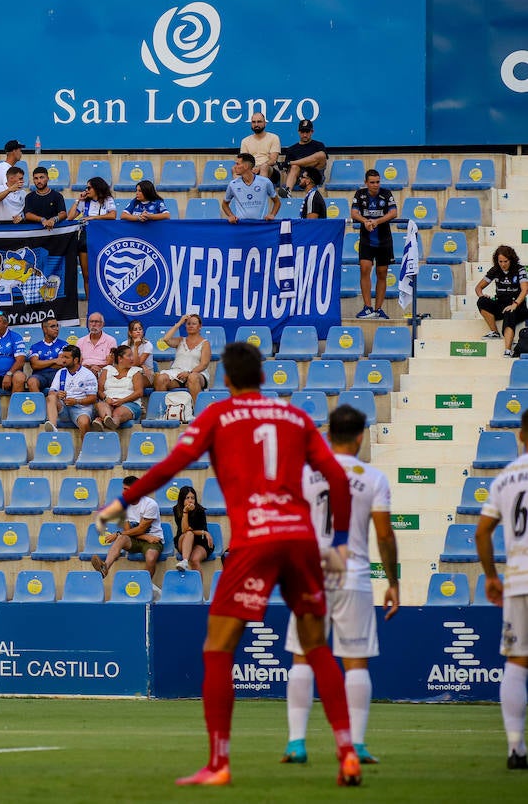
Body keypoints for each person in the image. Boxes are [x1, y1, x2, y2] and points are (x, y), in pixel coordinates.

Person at [94, 342, 361, 788]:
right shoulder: (294, 417)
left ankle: (219, 763)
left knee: (218, 647)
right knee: (316, 646)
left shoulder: (219, 416)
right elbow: (336, 476)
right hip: (300, 539)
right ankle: (348, 752)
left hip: (256, 539)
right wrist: (339, 540)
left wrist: (121, 503)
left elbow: (171, 467)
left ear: (229, 379)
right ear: (260, 375)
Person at [283, 404, 399, 767]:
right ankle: (357, 744)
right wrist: (393, 581)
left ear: (327, 434)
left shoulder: (305, 474)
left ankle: (297, 743)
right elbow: (383, 534)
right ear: (361, 436)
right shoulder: (374, 478)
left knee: (302, 657)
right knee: (355, 662)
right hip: (354, 575)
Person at [477, 408, 528, 771]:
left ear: (521, 436)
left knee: (516, 663)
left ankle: (515, 748)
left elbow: (481, 532)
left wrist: (491, 576)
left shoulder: (504, 479)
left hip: (517, 579)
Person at [90, 475, 164, 599]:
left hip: (154, 540)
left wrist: (121, 534)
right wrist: (145, 537)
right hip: (141, 539)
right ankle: (105, 567)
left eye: (127, 490)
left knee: (151, 558)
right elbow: (128, 530)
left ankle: (144, 585)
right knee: (121, 538)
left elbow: (141, 528)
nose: (124, 493)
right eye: (123, 489)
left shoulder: (150, 505)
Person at [351, 168, 398, 319]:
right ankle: (367, 307)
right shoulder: (360, 194)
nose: (375, 185)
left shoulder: (386, 193)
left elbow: (393, 212)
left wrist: (377, 221)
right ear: (366, 183)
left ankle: (378, 309)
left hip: (384, 240)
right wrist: (365, 221)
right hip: (366, 239)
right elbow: (354, 213)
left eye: (377, 182)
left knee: (382, 273)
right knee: (365, 269)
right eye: (372, 182)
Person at [476, 245, 528, 357]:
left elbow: (525, 290)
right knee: (482, 301)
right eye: (500, 261)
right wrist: (482, 295)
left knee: (510, 312)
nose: (503, 264)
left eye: (506, 261)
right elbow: (478, 288)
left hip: (518, 307)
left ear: (511, 260)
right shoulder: (495, 270)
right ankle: (494, 332)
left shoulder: (520, 269)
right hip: (501, 304)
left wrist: (515, 304)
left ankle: (508, 350)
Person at [69, 176, 115, 301]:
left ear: (97, 188)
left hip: (102, 238)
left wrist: (93, 218)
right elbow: (70, 217)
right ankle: (91, 304)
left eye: (89, 187)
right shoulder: (85, 201)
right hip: (86, 238)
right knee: (87, 275)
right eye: (86, 188)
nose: (87, 190)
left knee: (102, 274)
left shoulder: (107, 200)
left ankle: (105, 302)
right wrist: (78, 200)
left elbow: (113, 215)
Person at [153, 314, 212, 400]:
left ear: (200, 326)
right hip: (178, 374)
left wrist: (189, 373)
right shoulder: (180, 340)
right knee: (160, 378)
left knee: (193, 377)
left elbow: (204, 364)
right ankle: (163, 411)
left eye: (194, 323)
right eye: (188, 323)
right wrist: (179, 323)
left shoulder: (205, 343)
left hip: (197, 374)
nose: (191, 326)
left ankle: (198, 411)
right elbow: (166, 339)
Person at [44, 344, 98, 433]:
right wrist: (57, 394)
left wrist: (76, 401)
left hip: (81, 408)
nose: (63, 360)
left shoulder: (88, 375)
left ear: (76, 360)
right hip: (64, 407)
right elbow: (51, 392)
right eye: (62, 357)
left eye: (66, 357)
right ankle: (53, 428)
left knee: (84, 423)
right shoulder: (61, 372)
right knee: (51, 397)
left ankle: (85, 446)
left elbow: (93, 398)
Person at [94, 345, 145, 430]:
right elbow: (99, 390)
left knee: (118, 413)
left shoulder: (136, 371)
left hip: (129, 403)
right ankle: (106, 419)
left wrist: (122, 401)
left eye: (132, 355)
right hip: (108, 401)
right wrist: (106, 398)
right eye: (129, 356)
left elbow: (139, 392)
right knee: (101, 405)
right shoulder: (107, 370)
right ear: (120, 358)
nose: (132, 358)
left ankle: (107, 421)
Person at [223, 153, 279, 223]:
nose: (234, 167)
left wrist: (272, 215)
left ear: (246, 166)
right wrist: (230, 215)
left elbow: (277, 202)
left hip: (260, 225)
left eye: (237, 164)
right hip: (242, 226)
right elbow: (225, 204)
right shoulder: (233, 184)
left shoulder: (265, 182)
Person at [172, 485, 213, 572]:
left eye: (192, 498)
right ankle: (185, 561)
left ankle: (199, 585)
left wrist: (204, 533)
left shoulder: (200, 510)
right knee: (189, 533)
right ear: (182, 499)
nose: (190, 500)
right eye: (187, 498)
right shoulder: (177, 509)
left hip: (200, 542)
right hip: (184, 540)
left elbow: (202, 529)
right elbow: (184, 530)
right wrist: (185, 512)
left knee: (194, 560)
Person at [281, 118, 328, 193]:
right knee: (294, 167)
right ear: (299, 132)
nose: (305, 134)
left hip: (315, 177)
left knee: (321, 154)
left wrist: (292, 162)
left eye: (307, 131)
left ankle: (295, 166)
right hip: (299, 179)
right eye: (302, 132)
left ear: (312, 132)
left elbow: (323, 160)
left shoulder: (319, 145)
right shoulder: (291, 149)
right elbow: (288, 171)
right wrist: (294, 166)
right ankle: (287, 192)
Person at [25, 317, 72, 393]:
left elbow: (61, 364)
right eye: (53, 326)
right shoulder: (35, 346)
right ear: (44, 329)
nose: (56, 329)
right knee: (32, 381)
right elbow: (35, 365)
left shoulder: (64, 345)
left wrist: (41, 363)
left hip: (57, 374)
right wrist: (54, 360)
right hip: (40, 375)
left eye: (57, 326)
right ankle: (39, 404)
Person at [240, 111, 282, 183]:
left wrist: (259, 167)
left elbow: (273, 160)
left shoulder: (274, 138)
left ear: (265, 123)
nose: (256, 124)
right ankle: (239, 193)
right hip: (252, 169)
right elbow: (244, 160)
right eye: (254, 122)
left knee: (264, 167)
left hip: (270, 170)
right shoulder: (245, 141)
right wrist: (251, 169)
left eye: (259, 122)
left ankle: (261, 193)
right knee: (235, 169)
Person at [78, 312, 118, 378]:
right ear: (88, 324)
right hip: (84, 371)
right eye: (91, 322)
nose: (93, 324)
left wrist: (99, 368)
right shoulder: (81, 341)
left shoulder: (110, 340)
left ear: (102, 324)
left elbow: (111, 363)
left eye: (96, 322)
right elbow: (78, 361)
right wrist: (87, 368)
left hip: (103, 371)